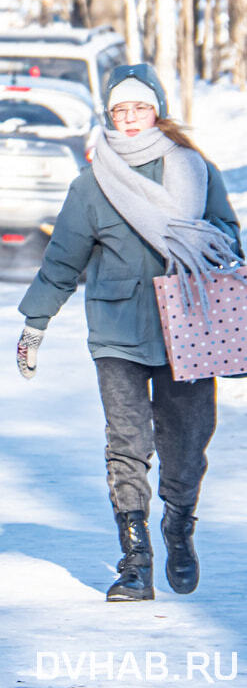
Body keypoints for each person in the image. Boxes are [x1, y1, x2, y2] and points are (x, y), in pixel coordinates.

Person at [17, 63, 241, 602]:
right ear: (109, 117)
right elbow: (62, 261)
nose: (131, 119)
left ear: (156, 109)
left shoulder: (195, 169)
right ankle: (135, 560)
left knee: (187, 445)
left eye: (139, 108)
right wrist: (35, 324)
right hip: (118, 331)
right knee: (127, 445)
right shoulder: (93, 184)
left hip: (190, 328)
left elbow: (231, 235)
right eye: (121, 110)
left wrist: (199, 237)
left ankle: (178, 529)